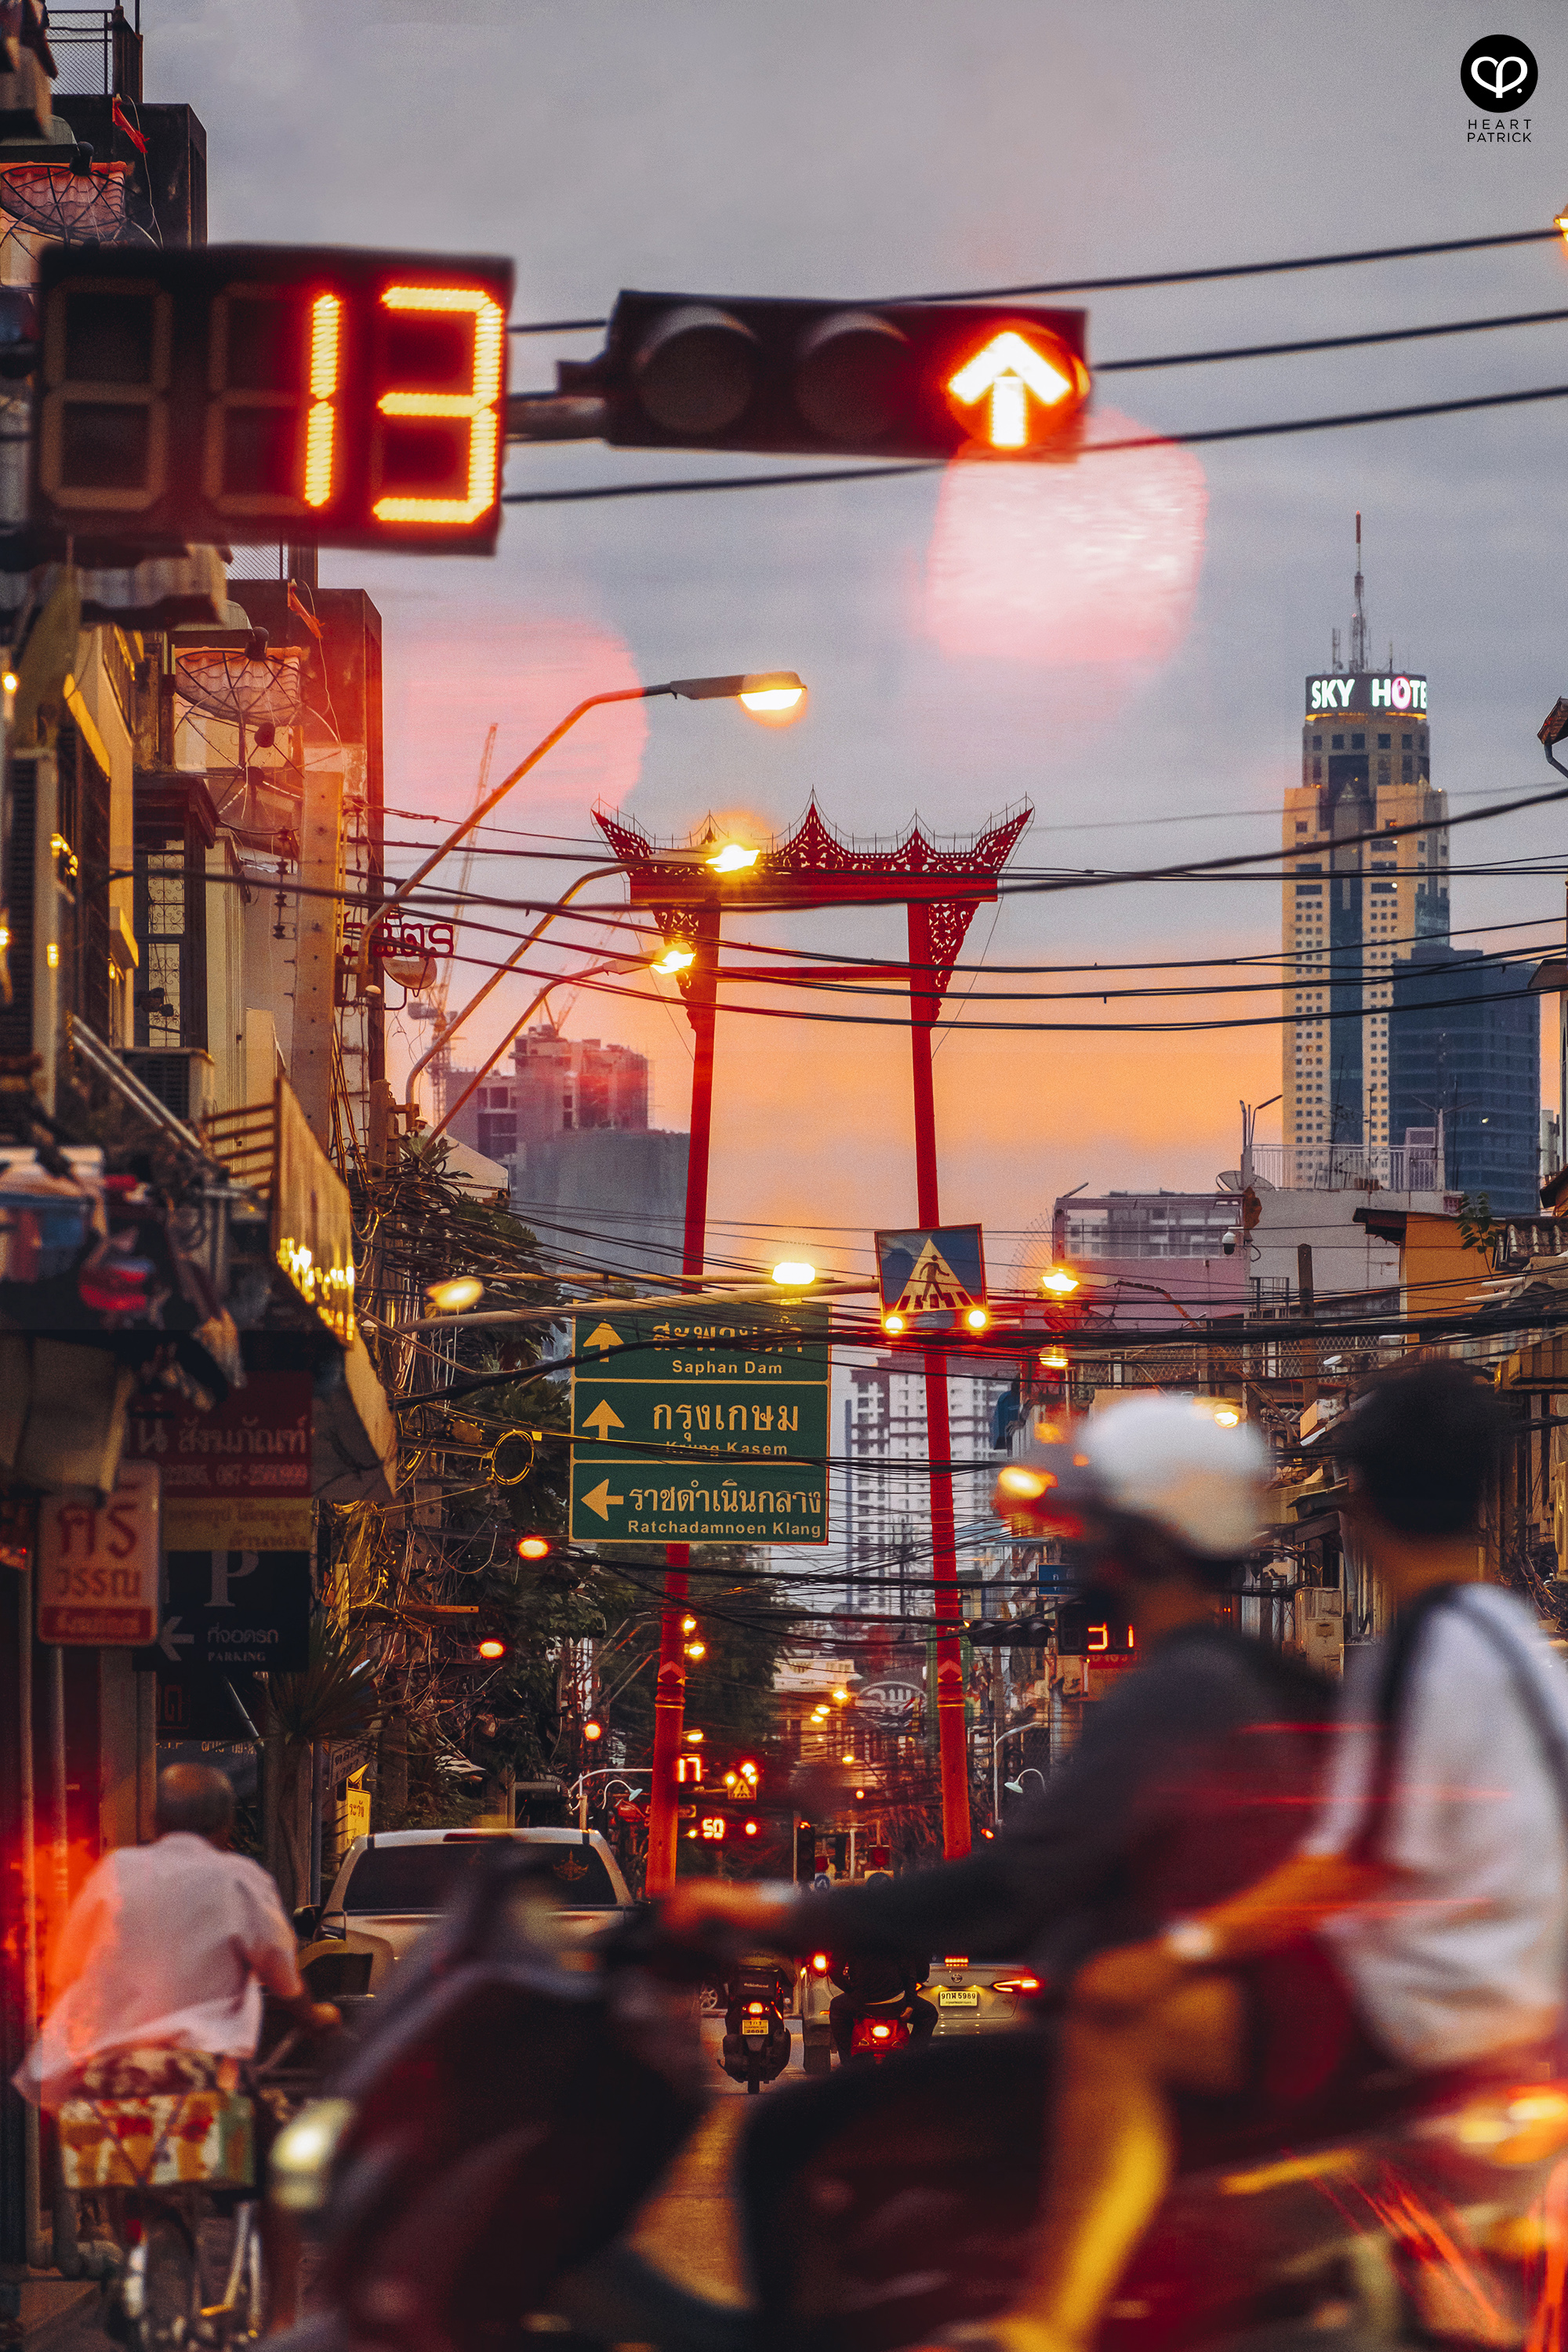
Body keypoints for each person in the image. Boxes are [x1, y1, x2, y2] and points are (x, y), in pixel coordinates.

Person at [995, 1357, 1568, 2352]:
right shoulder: (1515, 1639)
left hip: (1425, 2013)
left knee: (1112, 2016)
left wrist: (1172, 1953)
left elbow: (1345, 1863)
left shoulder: (1418, 1647)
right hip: (1518, 2003)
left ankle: (1046, 2321)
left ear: (1357, 1501)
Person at [16, 1761, 339, 2333]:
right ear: (226, 1826)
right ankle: (284, 2320)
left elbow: (66, 1965)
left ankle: (130, 2256)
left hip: (108, 2078)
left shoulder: (114, 1872)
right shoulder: (238, 1878)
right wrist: (316, 2017)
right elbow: (282, 1973)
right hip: (199, 2078)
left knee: (121, 2166)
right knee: (281, 2173)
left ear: (155, 1821)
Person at [826, 1945, 938, 2061]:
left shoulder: (851, 1938)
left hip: (861, 2003)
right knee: (929, 2014)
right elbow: (913, 1975)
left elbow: (834, 1970)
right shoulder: (902, 1938)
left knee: (836, 2009)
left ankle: (848, 2061)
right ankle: (914, 2060)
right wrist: (911, 2005)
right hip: (896, 2002)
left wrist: (851, 1990)